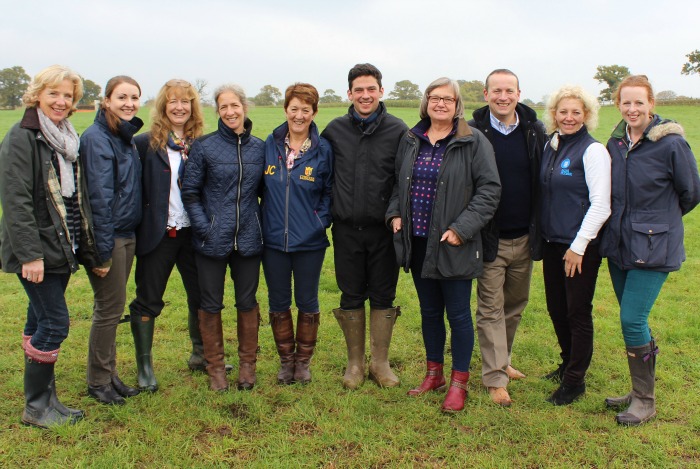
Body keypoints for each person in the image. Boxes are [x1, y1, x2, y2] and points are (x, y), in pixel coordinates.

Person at [387, 77, 501, 412]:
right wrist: (395, 213)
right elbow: (399, 183)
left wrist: (460, 229)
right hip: (418, 241)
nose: (440, 104)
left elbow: (490, 190)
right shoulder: (411, 139)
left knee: (459, 315)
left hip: (454, 243)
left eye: (447, 99)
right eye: (434, 98)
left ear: (457, 105)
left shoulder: (472, 140)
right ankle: (433, 373)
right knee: (430, 312)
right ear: (426, 102)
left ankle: (458, 383)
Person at [600, 75, 700, 425]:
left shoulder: (671, 144)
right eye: (626, 102)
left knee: (632, 319)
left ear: (651, 104)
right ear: (618, 105)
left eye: (639, 102)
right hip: (618, 246)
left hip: (653, 246)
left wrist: (659, 223)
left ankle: (645, 400)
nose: (632, 109)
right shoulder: (614, 143)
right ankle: (638, 389)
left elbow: (690, 193)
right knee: (634, 322)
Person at [0, 65, 92, 427]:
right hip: (38, 251)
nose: (61, 100)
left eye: (68, 95)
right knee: (55, 324)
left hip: (61, 246)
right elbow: (17, 201)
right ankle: (36, 406)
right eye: (54, 93)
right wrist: (30, 255)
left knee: (39, 318)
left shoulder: (65, 137)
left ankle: (47, 400)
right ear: (37, 93)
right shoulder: (23, 137)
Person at [321, 63, 408, 389]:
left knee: (384, 294)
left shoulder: (399, 131)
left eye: (371, 89)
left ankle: (380, 363)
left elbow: (404, 180)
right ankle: (355, 364)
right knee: (351, 294)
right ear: (350, 94)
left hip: (384, 231)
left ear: (381, 91)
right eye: (359, 90)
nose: (365, 95)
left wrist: (396, 213)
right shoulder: (334, 130)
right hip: (345, 230)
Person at [468, 69, 546, 406]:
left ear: (518, 93)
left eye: (509, 90)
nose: (503, 96)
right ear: (486, 94)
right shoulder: (472, 133)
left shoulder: (534, 130)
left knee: (514, 306)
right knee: (490, 308)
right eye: (496, 90)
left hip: (525, 237)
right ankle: (495, 377)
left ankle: (504, 359)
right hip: (489, 238)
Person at [181, 84, 265, 391]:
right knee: (211, 304)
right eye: (223, 107)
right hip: (211, 239)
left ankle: (247, 366)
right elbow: (190, 193)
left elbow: (265, 194)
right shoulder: (204, 147)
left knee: (247, 302)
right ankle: (215, 367)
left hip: (248, 240)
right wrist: (205, 227)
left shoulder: (260, 147)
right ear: (218, 111)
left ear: (244, 107)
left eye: (234, 105)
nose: (230, 112)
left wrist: (259, 227)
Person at [128, 79, 206, 392]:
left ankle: (201, 355)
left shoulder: (202, 142)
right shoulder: (145, 143)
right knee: (148, 300)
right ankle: (145, 367)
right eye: (172, 101)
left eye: (185, 101)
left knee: (201, 297)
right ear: (163, 105)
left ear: (192, 107)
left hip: (194, 234)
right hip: (158, 235)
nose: (179, 107)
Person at [540, 85, 611, 405]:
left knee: (577, 311)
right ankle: (567, 361)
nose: (569, 118)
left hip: (578, 247)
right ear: (554, 114)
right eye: (563, 111)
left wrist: (579, 246)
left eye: (576, 112)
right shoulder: (551, 145)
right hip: (553, 243)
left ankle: (575, 380)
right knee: (557, 309)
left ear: (587, 116)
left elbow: (601, 205)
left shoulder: (592, 151)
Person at [262, 83, 333, 384]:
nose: (299, 115)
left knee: (307, 300)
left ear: (314, 112)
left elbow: (329, 192)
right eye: (294, 108)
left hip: (310, 242)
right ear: (285, 110)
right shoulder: (270, 144)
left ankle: (303, 362)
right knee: (278, 301)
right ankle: (285, 360)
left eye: (306, 109)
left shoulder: (323, 149)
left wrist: (320, 222)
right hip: (274, 241)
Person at [81, 75, 144, 405]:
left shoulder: (123, 136)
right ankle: (98, 381)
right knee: (108, 310)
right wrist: (101, 253)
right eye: (121, 97)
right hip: (110, 238)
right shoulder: (97, 139)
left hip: (126, 233)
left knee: (112, 306)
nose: (129, 103)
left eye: (134, 97)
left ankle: (108, 373)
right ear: (106, 101)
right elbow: (99, 198)